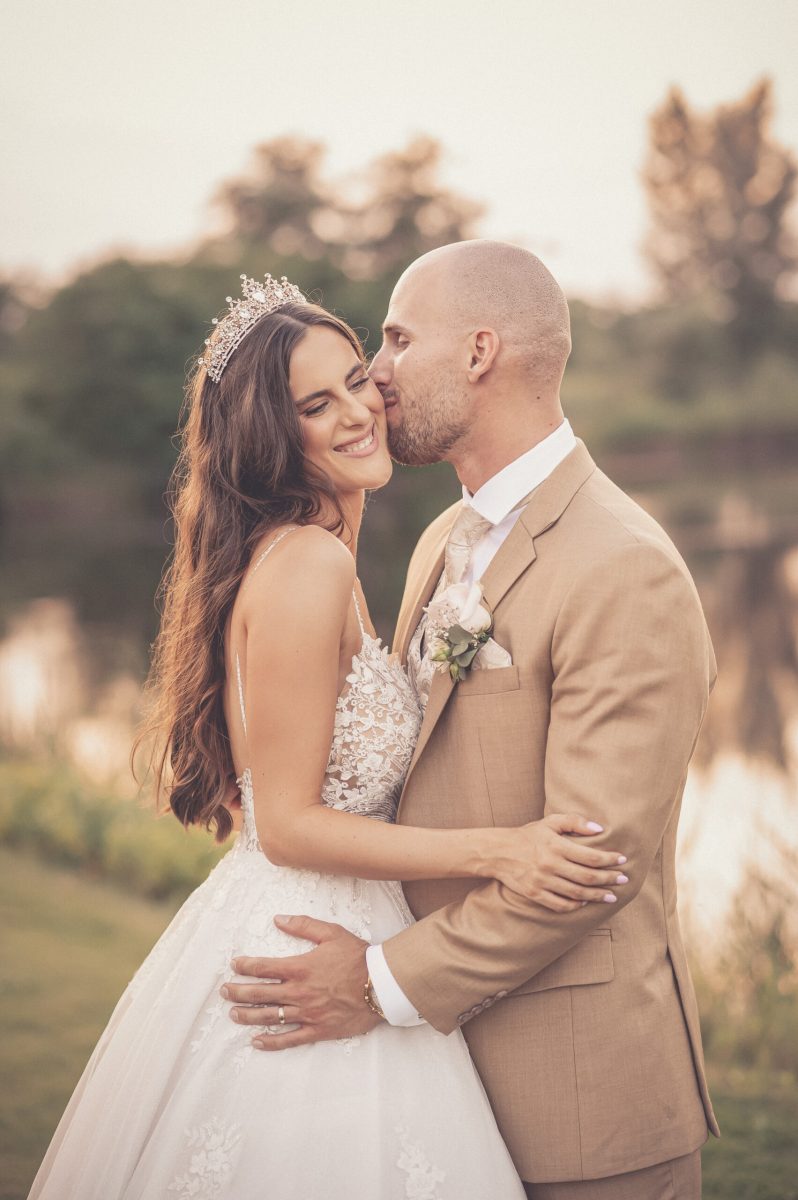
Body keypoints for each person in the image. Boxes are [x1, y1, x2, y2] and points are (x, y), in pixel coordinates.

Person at [28, 272, 630, 1199]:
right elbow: (287, 825)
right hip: (315, 933)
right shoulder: (306, 565)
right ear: (272, 437)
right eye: (316, 405)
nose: (359, 411)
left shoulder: (306, 555)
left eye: (357, 379)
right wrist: (502, 849)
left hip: (331, 913)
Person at [223, 243, 719, 1200]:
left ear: (480, 351)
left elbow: (590, 866)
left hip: (579, 1102)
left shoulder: (624, 567)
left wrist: (377, 981)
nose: (375, 375)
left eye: (398, 340)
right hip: (432, 1085)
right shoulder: (440, 541)